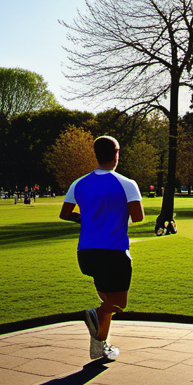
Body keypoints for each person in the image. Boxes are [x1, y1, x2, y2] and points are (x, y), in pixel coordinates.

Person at [59, 136, 144, 360]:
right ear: (116, 153)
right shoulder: (127, 183)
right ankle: (94, 314)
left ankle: (99, 348)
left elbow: (65, 213)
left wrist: (86, 218)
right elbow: (138, 217)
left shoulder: (79, 183)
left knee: (108, 299)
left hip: (86, 253)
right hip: (114, 252)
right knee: (117, 304)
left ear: (96, 154)